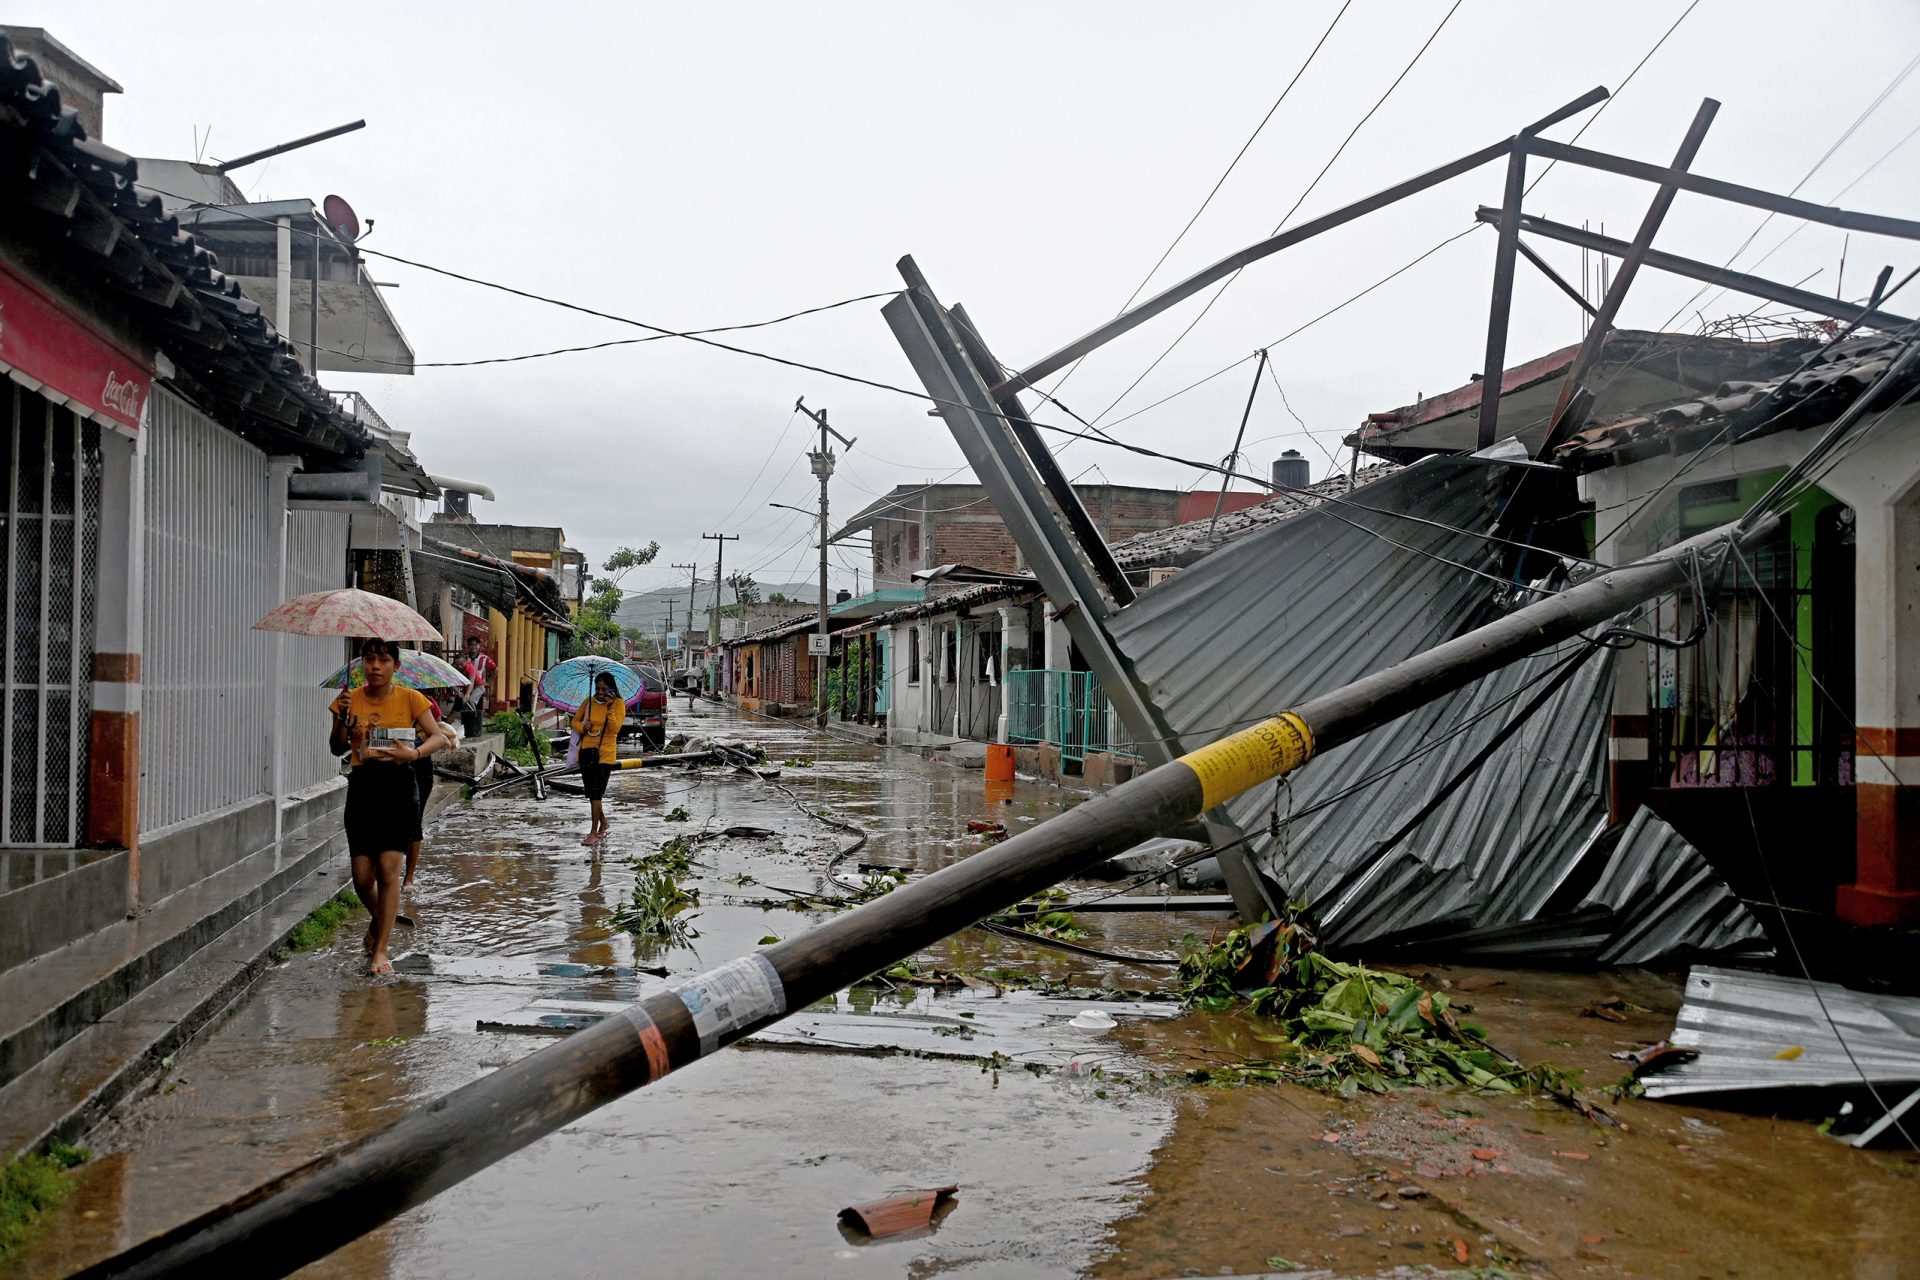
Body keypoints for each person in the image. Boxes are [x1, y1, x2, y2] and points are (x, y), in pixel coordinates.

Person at [330, 638, 448, 975]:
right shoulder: (348, 699)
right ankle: (382, 920)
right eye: (369, 660)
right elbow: (336, 748)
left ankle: (381, 951)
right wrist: (342, 720)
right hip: (363, 788)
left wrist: (414, 753)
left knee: (387, 871)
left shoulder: (410, 698)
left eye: (383, 660)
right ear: (362, 665)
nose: (375, 666)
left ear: (396, 666)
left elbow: (438, 735)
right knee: (362, 876)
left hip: (398, 788)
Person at [571, 670, 626, 845]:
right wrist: (582, 727)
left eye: (604, 689)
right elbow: (574, 721)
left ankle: (593, 832)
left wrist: (609, 709)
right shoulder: (588, 702)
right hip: (586, 752)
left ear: (611, 689)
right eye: (598, 688)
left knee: (596, 793)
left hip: (605, 755)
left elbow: (615, 728)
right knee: (591, 793)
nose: (601, 693)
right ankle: (604, 822)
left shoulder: (618, 704)